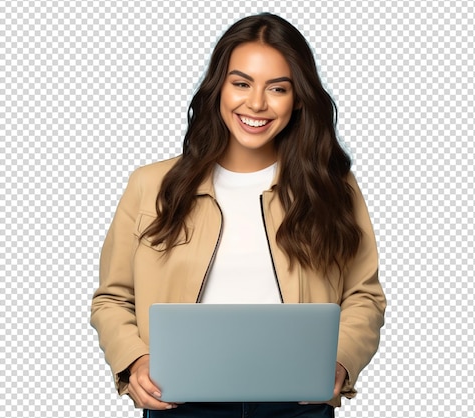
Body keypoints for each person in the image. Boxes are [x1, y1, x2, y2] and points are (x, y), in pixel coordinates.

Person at [90, 12, 386, 418]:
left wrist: (340, 360)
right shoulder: (151, 185)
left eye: (277, 88)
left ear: (298, 98)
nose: (257, 103)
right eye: (241, 83)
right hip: (179, 401)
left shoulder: (333, 186)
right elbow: (113, 297)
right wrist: (135, 361)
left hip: (298, 403)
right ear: (219, 89)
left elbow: (364, 296)